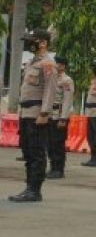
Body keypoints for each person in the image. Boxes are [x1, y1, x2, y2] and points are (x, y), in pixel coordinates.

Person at [8, 29, 56, 203]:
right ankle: (29, 186)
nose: (29, 43)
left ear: (42, 43)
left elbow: (50, 90)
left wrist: (44, 113)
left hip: (37, 113)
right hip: (26, 113)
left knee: (36, 152)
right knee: (27, 151)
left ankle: (35, 190)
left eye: (32, 40)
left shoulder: (47, 64)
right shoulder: (30, 63)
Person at [46, 56, 74, 180]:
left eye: (57, 64)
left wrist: (63, 118)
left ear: (62, 66)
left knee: (58, 143)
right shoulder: (51, 79)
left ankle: (59, 169)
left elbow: (67, 100)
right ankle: (53, 167)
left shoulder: (67, 80)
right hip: (50, 115)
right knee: (50, 143)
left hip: (60, 115)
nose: (54, 66)